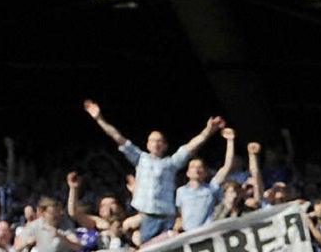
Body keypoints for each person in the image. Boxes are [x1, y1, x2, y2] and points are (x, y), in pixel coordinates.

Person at [84, 101, 223, 242]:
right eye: (153, 140)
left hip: (167, 216)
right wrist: (99, 119)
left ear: (165, 145)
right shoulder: (140, 159)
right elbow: (118, 138)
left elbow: (190, 147)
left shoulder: (171, 164)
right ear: (148, 144)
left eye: (159, 141)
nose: (156, 143)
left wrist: (208, 131)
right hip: (148, 216)